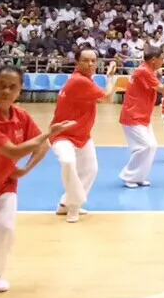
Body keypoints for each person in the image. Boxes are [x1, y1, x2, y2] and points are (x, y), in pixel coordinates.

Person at [0, 65, 76, 292]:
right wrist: (49, 132)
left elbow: (42, 145)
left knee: (5, 229)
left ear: (20, 90)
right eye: (1, 85)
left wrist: (25, 170)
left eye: (12, 87)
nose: (6, 91)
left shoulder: (21, 116)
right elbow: (13, 151)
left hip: (3, 185)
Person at [50, 49, 118, 223]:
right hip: (62, 135)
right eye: (86, 61)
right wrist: (111, 77)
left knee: (90, 169)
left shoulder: (87, 79)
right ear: (77, 63)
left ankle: (65, 204)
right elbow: (108, 98)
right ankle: (74, 207)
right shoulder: (79, 81)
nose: (90, 64)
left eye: (93, 61)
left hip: (82, 136)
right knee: (68, 162)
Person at [119, 47, 164, 188]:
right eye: (162, 58)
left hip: (143, 115)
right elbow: (162, 89)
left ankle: (139, 176)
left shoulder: (148, 71)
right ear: (153, 59)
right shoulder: (143, 71)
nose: (163, 61)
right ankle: (128, 176)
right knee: (145, 146)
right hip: (133, 115)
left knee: (152, 146)